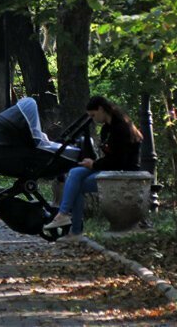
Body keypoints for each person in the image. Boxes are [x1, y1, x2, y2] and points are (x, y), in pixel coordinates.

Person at [43, 95, 143, 241]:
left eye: (93, 115)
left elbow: (119, 161)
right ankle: (65, 218)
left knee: (76, 184)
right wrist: (92, 161)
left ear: (101, 109)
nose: (93, 119)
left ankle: (73, 227)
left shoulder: (121, 128)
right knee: (75, 172)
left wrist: (94, 164)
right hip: (109, 169)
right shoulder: (106, 129)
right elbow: (108, 157)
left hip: (122, 173)